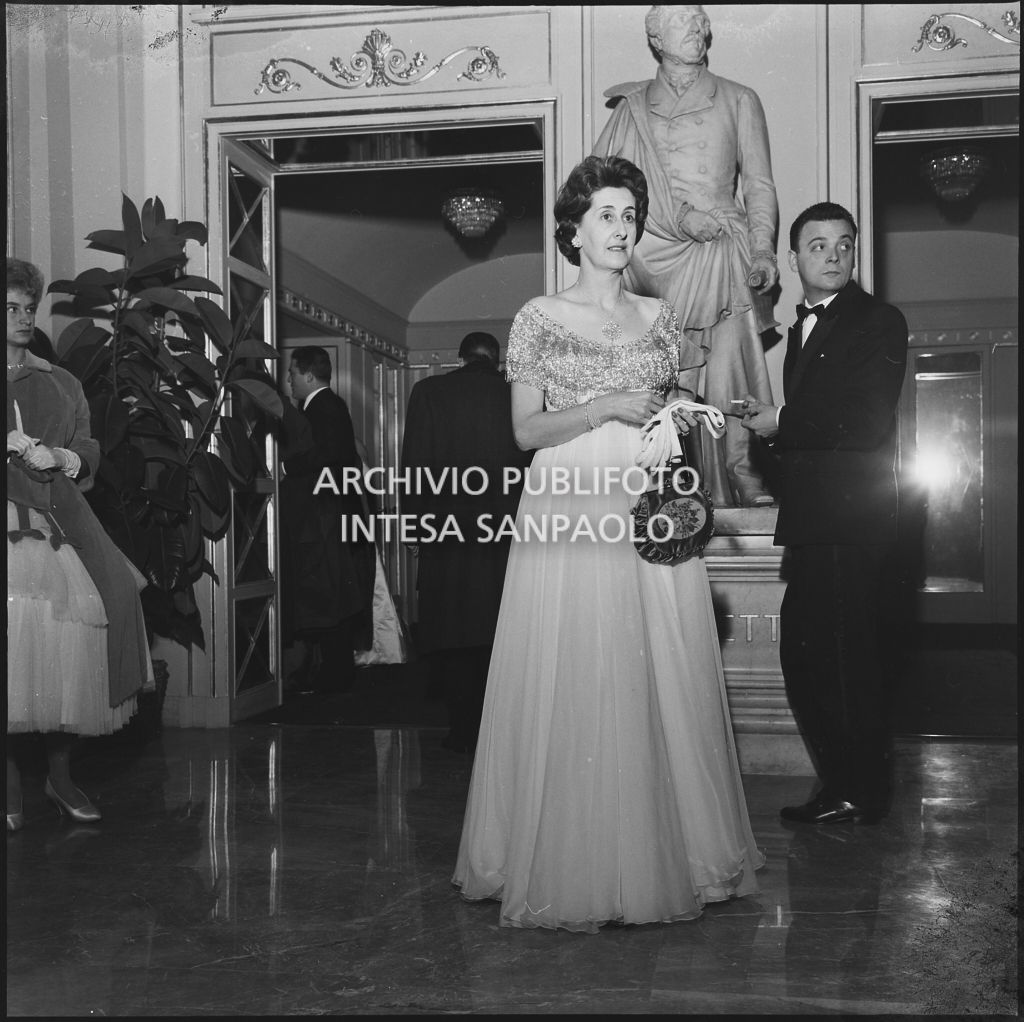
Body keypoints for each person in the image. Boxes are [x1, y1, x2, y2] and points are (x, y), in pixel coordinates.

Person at [452, 156, 764, 932]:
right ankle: (569, 861)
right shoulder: (538, 316)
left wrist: (680, 425)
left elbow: (668, 409)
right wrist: (606, 407)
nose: (621, 228)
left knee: (656, 661)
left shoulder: (662, 319)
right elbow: (526, 432)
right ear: (575, 229)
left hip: (647, 495)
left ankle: (671, 855)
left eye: (630, 215)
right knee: (576, 658)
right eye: (606, 215)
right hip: (571, 491)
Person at [740, 202, 909, 825]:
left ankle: (856, 791)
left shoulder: (877, 319)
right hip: (819, 523)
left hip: (850, 526)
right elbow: (818, 433)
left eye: (844, 244)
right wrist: (769, 437)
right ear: (794, 259)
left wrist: (779, 420)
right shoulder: (802, 328)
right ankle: (846, 785)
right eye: (818, 245)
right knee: (812, 657)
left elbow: (865, 424)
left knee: (839, 661)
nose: (834, 255)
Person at [593, 4, 779, 508]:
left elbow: (758, 185)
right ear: (656, 38)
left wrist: (763, 249)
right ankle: (666, 480)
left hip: (720, 246)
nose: (697, 28)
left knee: (729, 366)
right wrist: (674, 218)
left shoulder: (738, 98)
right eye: (683, 21)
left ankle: (739, 473)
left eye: (700, 21)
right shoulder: (631, 108)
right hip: (652, 254)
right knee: (658, 377)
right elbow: (603, 184)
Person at [7, 257, 151, 831]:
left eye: (28, 308)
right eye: (10, 308)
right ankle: (8, 782)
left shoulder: (61, 381)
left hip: (55, 521)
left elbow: (90, 447)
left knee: (66, 646)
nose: (23, 318)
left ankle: (60, 777)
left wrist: (64, 457)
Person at [400, 332, 532, 754]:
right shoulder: (519, 395)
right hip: (506, 532)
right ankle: (503, 731)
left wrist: (414, 529)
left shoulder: (429, 392)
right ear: (498, 360)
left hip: (447, 531)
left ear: (460, 359)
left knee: (453, 630)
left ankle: (462, 730)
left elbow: (414, 466)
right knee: (501, 627)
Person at [279, 346, 373, 694]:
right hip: (332, 517)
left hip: (326, 520)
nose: (289, 380)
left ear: (308, 375)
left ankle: (333, 676)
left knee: (328, 598)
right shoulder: (326, 406)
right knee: (332, 598)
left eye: (292, 373)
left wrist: (284, 467)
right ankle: (333, 673)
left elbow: (324, 456)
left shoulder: (323, 407)